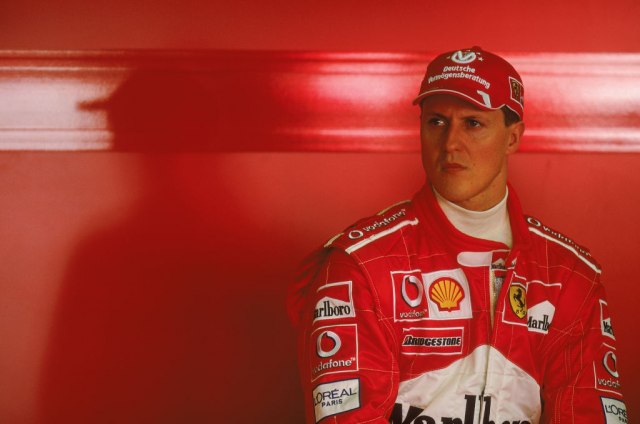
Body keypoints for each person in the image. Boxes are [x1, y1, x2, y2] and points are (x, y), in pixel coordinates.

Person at [286, 47, 627, 423]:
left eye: (473, 123)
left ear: (512, 138)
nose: (450, 143)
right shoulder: (361, 265)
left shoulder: (569, 276)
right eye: (436, 122)